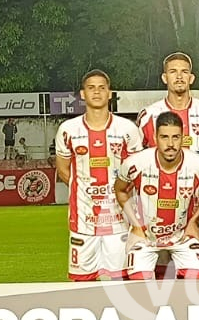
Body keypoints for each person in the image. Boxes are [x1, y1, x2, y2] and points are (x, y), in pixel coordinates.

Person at [55, 69, 144, 281]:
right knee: (81, 282)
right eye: (91, 88)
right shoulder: (68, 129)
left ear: (109, 93)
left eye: (102, 88)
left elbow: (137, 173)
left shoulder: (127, 129)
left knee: (120, 283)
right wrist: (84, 190)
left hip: (120, 222)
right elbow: (64, 170)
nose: (96, 92)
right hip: (83, 221)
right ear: (82, 94)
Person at [115, 111, 199, 280]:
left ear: (183, 138)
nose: (170, 144)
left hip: (182, 236)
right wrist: (135, 224)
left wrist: (193, 221)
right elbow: (120, 190)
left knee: (197, 278)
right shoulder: (135, 163)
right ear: (155, 138)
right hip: (146, 236)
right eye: (164, 137)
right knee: (138, 283)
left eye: (175, 137)